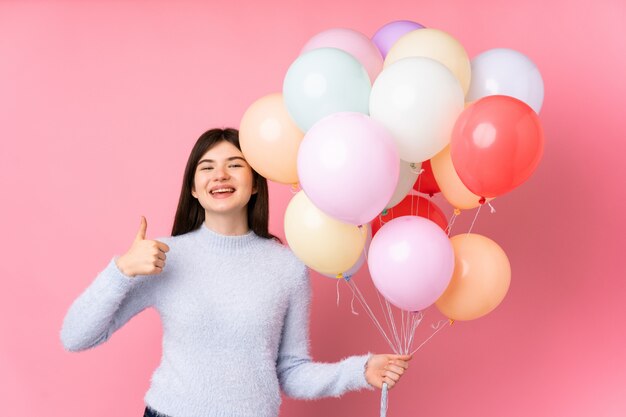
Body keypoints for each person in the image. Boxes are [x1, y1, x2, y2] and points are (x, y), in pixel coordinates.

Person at [61, 128, 412, 417]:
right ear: (194, 190)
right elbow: (76, 336)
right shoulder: (163, 256)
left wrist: (359, 372)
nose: (221, 176)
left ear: (256, 183)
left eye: (234, 165)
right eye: (207, 167)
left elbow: (291, 372)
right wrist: (121, 270)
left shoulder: (287, 266)